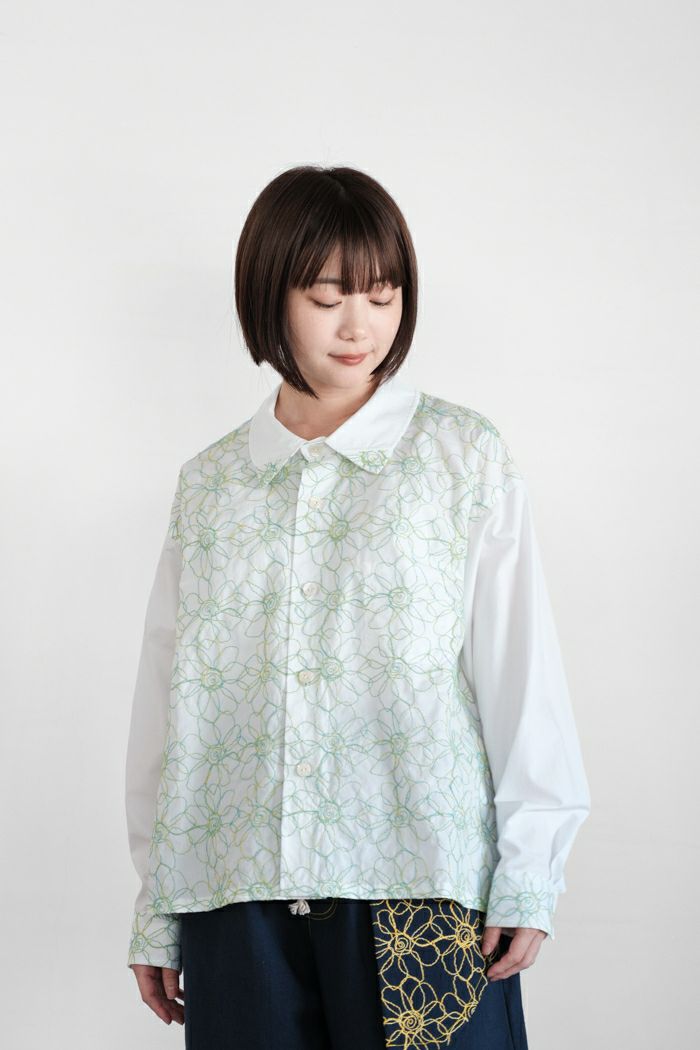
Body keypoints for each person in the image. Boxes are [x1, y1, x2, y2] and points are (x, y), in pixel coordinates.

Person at [124, 165, 591, 1049]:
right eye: (326, 296)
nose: (359, 326)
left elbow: (521, 674)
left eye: (383, 296)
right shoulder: (211, 485)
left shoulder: (461, 457)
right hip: (235, 896)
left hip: (422, 888)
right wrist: (158, 903)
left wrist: (531, 872)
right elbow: (167, 702)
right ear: (269, 295)